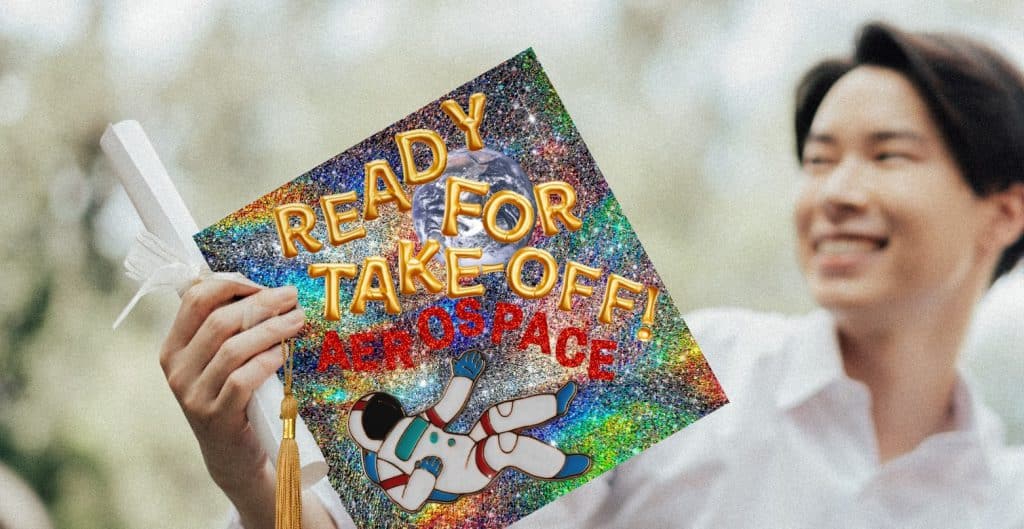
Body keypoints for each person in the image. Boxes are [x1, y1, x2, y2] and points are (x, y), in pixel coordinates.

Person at [158, 22, 1024, 529]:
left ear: (1004, 211)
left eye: (888, 155)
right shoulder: (662, 367)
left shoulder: (1001, 498)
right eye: (819, 158)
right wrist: (250, 476)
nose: (835, 193)